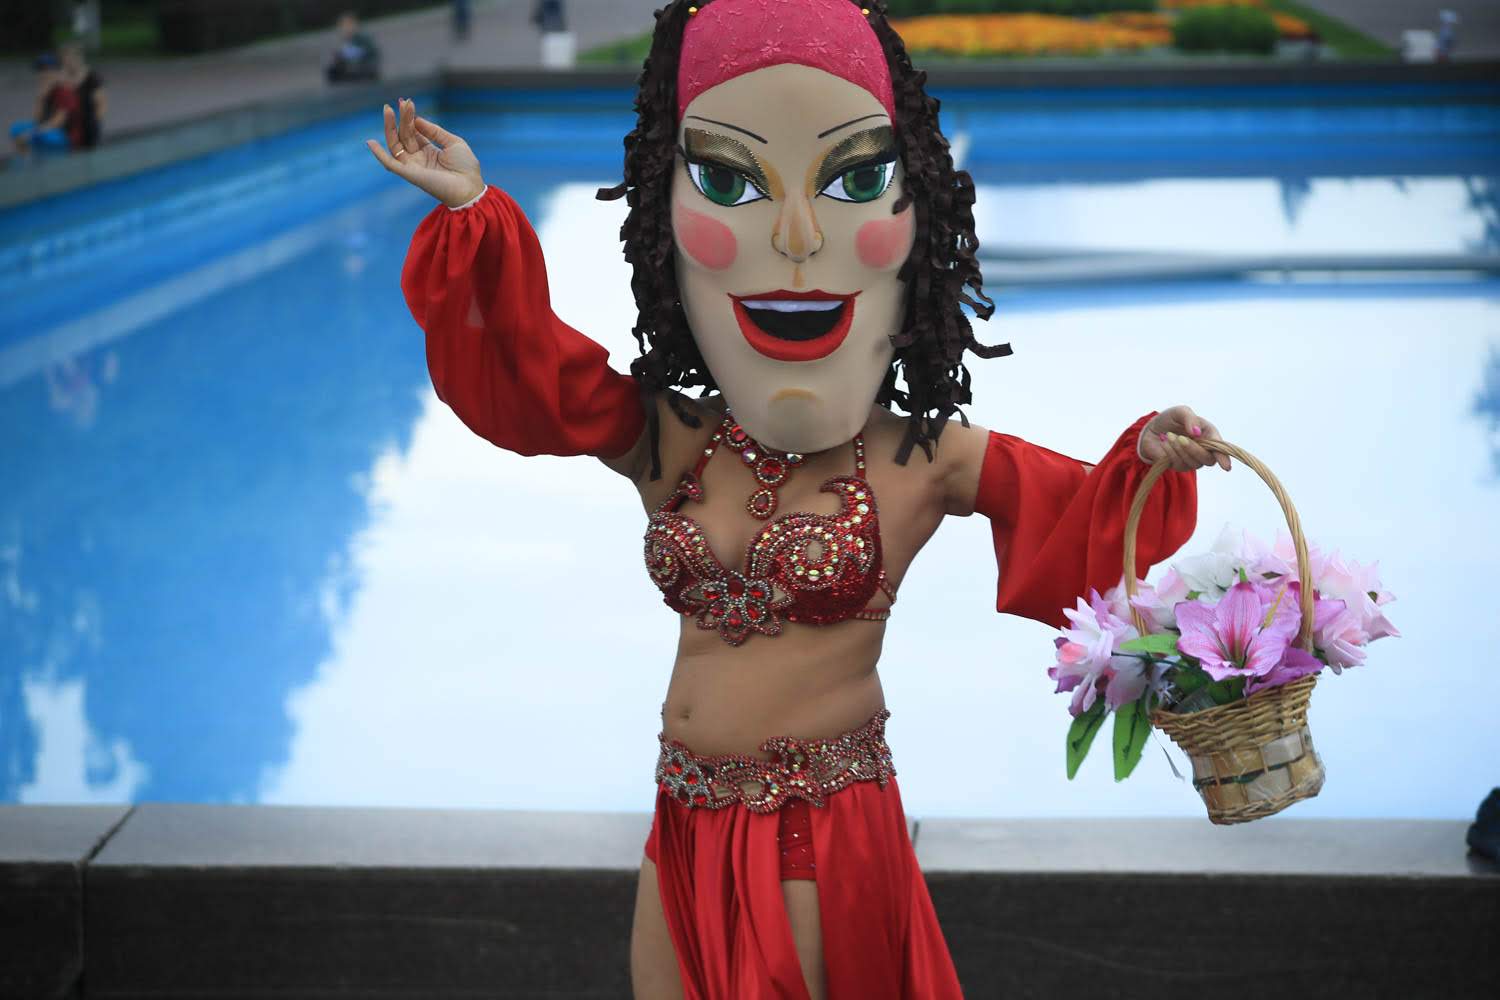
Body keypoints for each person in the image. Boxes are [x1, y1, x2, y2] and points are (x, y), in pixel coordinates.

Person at [367, 1, 1228, 995]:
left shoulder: (924, 456)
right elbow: (533, 376)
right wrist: (473, 209)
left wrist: (1150, 454)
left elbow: (1085, 517)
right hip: (682, 815)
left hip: (814, 828)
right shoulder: (673, 440)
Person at [9, 53, 82, 162]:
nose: (42, 74)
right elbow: (37, 120)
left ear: (56, 71)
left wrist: (33, 133)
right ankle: (25, 159)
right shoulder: (46, 90)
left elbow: (58, 121)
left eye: (46, 70)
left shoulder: (64, 90)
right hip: (49, 129)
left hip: (66, 135)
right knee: (16, 128)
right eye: (40, 70)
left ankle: (40, 161)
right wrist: (40, 97)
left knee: (33, 136)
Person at [60, 41, 105, 149]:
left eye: (70, 58)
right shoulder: (61, 78)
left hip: (87, 125)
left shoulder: (92, 77)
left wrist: (95, 123)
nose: (67, 62)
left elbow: (101, 104)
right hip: (66, 125)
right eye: (64, 59)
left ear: (79, 58)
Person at [326, 11, 380, 84]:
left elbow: (371, 58)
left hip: (364, 72)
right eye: (343, 26)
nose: (346, 29)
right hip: (351, 72)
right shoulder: (344, 43)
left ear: (355, 25)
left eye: (349, 25)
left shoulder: (364, 40)